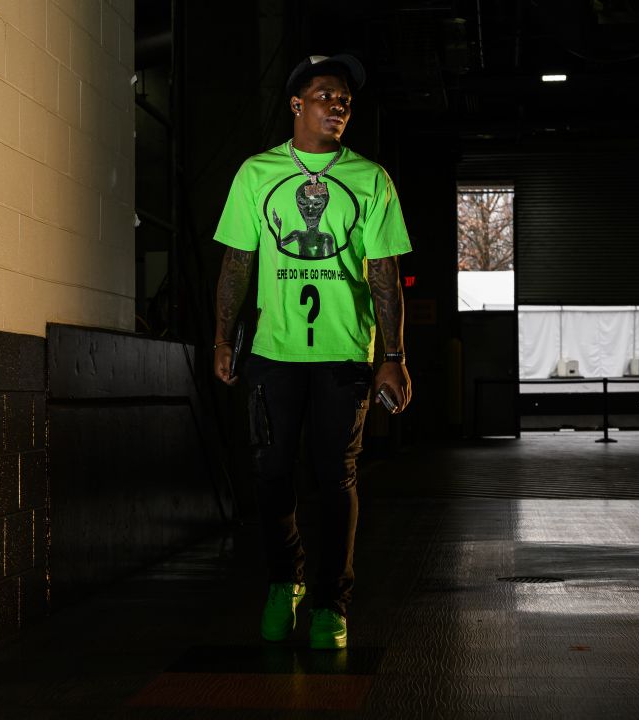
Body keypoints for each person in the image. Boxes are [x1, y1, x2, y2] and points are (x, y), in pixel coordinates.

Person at [212, 54, 413, 650]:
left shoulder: (370, 178)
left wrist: (394, 355)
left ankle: (331, 601)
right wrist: (224, 337)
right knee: (271, 474)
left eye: (346, 97)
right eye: (327, 94)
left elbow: (384, 272)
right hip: (273, 355)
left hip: (346, 356)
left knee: (336, 477)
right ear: (297, 104)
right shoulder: (258, 173)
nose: (340, 104)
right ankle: (285, 580)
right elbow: (237, 261)